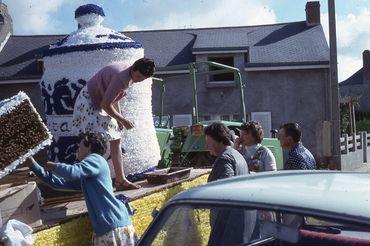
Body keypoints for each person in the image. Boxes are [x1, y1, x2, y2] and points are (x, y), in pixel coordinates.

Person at [28, 132, 136, 246]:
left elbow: (72, 172)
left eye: (80, 146)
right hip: (111, 225)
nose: (77, 150)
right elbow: (59, 183)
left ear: (89, 146)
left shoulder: (96, 159)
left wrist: (53, 166)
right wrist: (34, 165)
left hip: (112, 225)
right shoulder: (88, 173)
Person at [72, 58, 155, 190]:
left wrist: (118, 118)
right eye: (138, 76)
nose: (139, 80)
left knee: (116, 139)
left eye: (143, 78)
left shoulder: (129, 74)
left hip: (102, 101)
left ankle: (120, 181)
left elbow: (114, 97)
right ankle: (76, 178)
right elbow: (106, 104)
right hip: (89, 101)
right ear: (133, 68)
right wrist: (122, 120)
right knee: (90, 139)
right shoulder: (121, 78)